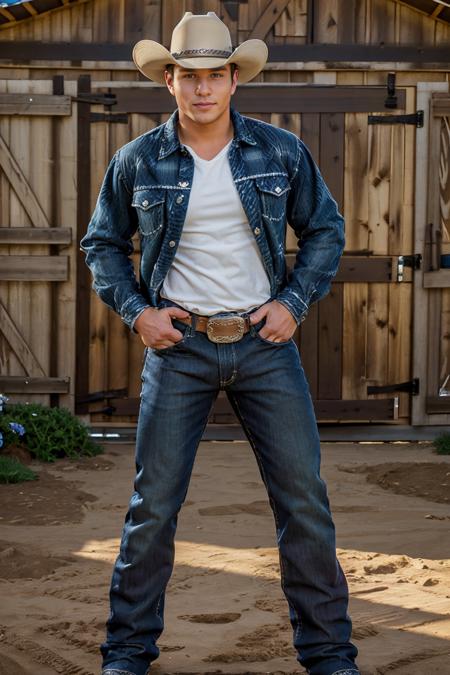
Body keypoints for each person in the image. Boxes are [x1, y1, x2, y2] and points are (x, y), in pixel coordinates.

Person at [81, 11, 360, 675]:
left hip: (266, 347)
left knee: (304, 503)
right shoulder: (138, 159)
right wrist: (139, 312)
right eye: (188, 75)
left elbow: (326, 230)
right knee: (152, 509)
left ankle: (328, 654)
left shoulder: (279, 151)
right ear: (168, 81)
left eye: (214, 74)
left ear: (235, 79)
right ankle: (126, 653)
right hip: (179, 349)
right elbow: (102, 245)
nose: (202, 87)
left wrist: (293, 303)